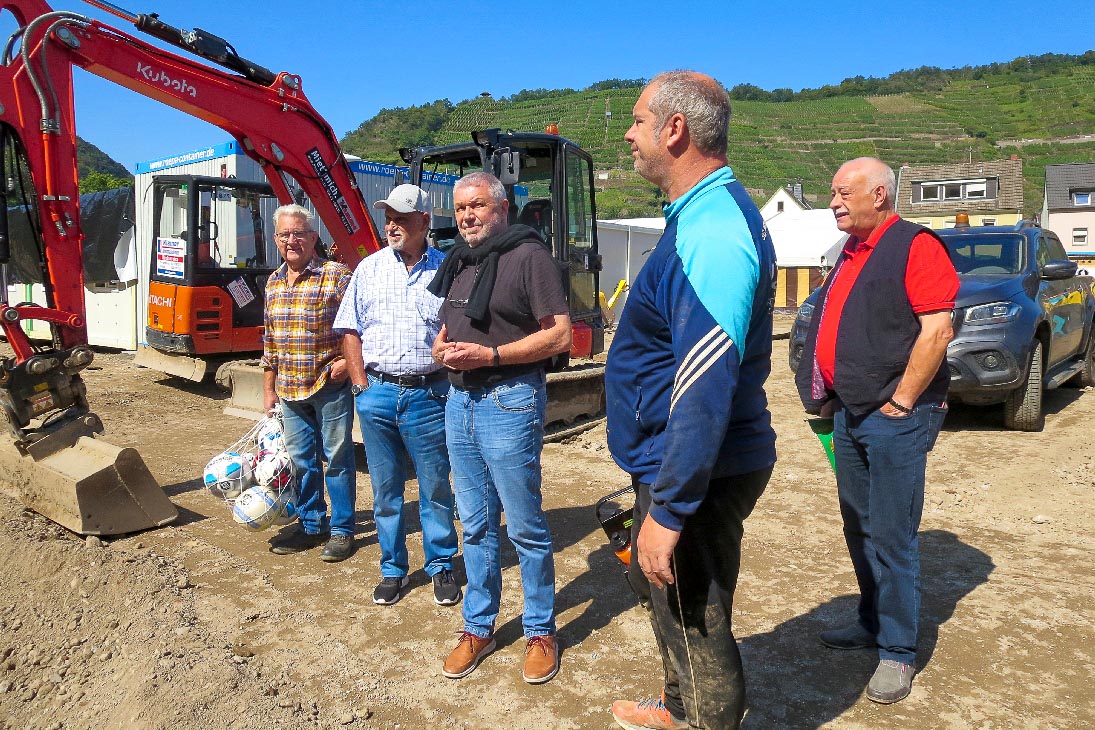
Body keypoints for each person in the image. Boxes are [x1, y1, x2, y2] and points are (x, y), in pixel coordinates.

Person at [606, 71, 778, 730]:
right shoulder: (698, 216)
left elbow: (705, 383)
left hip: (701, 470)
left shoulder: (713, 230)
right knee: (671, 606)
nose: (628, 134)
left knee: (696, 621)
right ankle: (678, 710)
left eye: (637, 120)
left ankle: (701, 717)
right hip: (679, 462)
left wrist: (672, 506)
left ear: (674, 129)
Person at [795, 156, 958, 704]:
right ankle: (871, 620)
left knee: (891, 534)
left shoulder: (916, 245)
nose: (834, 202)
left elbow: (937, 331)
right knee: (859, 525)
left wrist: (903, 400)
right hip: (850, 411)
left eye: (844, 192)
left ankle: (897, 651)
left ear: (880, 195)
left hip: (895, 417)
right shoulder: (850, 250)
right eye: (833, 193)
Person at [428, 172, 571, 685]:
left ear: (502, 209)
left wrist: (489, 355)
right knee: (476, 524)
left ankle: (540, 631)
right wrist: (440, 349)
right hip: (459, 401)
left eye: (477, 206)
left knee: (526, 526)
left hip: (508, 400)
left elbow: (560, 334)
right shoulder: (460, 261)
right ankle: (479, 627)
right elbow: (448, 327)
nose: (467, 216)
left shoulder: (529, 256)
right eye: (460, 208)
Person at [333, 184, 460, 607]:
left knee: (435, 486)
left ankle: (440, 565)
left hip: (429, 396)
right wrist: (359, 386)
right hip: (378, 395)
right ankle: (392, 569)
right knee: (386, 489)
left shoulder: (447, 269)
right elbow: (350, 329)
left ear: (425, 221)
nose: (392, 225)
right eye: (388, 218)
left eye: (402, 218)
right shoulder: (368, 269)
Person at [261, 204, 357, 562]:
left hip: (328, 386)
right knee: (302, 462)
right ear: (276, 240)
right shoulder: (273, 282)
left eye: (299, 233)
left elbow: (362, 324)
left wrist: (347, 362)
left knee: (338, 460)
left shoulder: (336, 276)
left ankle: (343, 530)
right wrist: (268, 389)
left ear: (313, 237)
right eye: (285, 234)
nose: (292, 240)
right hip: (289, 390)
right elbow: (270, 340)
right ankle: (311, 524)